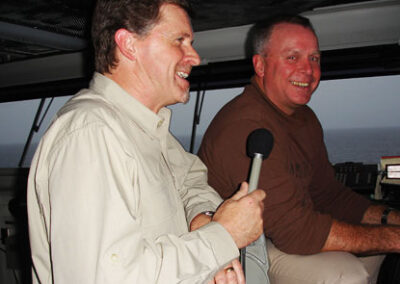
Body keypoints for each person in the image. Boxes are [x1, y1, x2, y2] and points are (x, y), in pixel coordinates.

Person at [26, 1, 267, 283]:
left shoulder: (148, 129)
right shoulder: (91, 133)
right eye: (180, 41)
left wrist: (204, 219)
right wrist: (221, 237)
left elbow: (190, 181)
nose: (195, 57)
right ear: (129, 44)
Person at [198, 14, 400, 283]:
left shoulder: (304, 119)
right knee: (346, 275)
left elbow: (329, 195)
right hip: (245, 246)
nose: (308, 70)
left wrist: (389, 217)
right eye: (292, 57)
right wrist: (394, 238)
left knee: (376, 249)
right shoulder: (246, 124)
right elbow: (294, 230)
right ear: (260, 65)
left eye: (314, 58)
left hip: (285, 229)